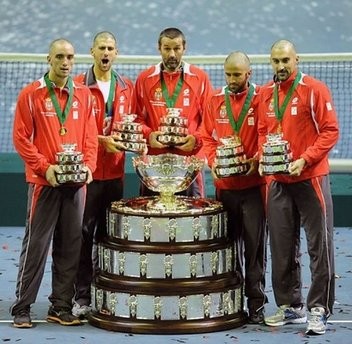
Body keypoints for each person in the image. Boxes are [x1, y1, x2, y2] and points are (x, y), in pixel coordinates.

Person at [10, 38, 98, 328]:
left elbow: (90, 138)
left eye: (70, 57)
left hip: (76, 185)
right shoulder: (31, 94)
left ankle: (60, 306)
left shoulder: (84, 95)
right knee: (36, 245)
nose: (65, 62)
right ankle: (22, 307)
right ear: (49, 59)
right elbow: (21, 138)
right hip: (44, 183)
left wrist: (88, 167)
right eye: (59, 56)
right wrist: (44, 168)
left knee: (71, 245)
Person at [257, 40, 339, 335]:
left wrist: (305, 160)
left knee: (320, 247)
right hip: (278, 182)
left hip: (310, 179)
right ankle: (291, 305)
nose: (280, 66)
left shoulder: (314, 89)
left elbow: (330, 131)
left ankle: (319, 308)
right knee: (281, 247)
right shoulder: (265, 94)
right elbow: (263, 132)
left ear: (296, 60)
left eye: (285, 61)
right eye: (275, 61)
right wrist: (263, 161)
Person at [72, 31, 136, 318]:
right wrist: (101, 141)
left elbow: (131, 127)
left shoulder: (127, 88)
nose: (106, 52)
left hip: (115, 176)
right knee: (84, 236)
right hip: (88, 175)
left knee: (110, 238)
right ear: (92, 52)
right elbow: (77, 132)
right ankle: (82, 296)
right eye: (101, 48)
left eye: (110, 48)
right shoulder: (78, 87)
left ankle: (107, 293)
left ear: (116, 52)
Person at [200, 51, 267, 324]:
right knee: (227, 248)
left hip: (253, 187)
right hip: (225, 187)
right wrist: (214, 161)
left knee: (254, 249)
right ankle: (229, 302)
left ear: (248, 74)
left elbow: (268, 131)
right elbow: (206, 136)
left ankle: (256, 304)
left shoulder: (262, 98)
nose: (231, 79)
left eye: (237, 74)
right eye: (228, 74)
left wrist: (258, 158)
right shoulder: (215, 100)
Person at [134, 27, 213, 197]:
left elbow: (209, 120)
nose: (172, 54)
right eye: (167, 48)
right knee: (155, 220)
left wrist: (195, 139)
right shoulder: (144, 79)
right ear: (159, 48)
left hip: (189, 165)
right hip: (154, 167)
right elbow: (136, 118)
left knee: (192, 220)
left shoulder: (200, 78)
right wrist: (149, 135)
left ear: (184, 48)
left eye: (176, 48)